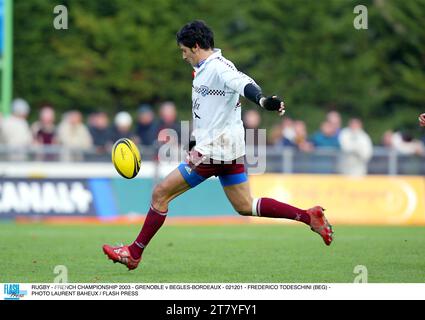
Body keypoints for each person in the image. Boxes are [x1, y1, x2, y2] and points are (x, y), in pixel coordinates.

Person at [103, 20, 333, 270]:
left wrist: (264, 101)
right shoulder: (205, 68)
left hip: (214, 151)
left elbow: (243, 84)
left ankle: (134, 253)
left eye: (184, 50)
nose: (183, 56)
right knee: (246, 206)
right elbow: (208, 110)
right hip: (228, 149)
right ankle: (308, 216)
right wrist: (194, 140)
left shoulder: (218, 67)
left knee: (160, 194)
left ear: (197, 46)